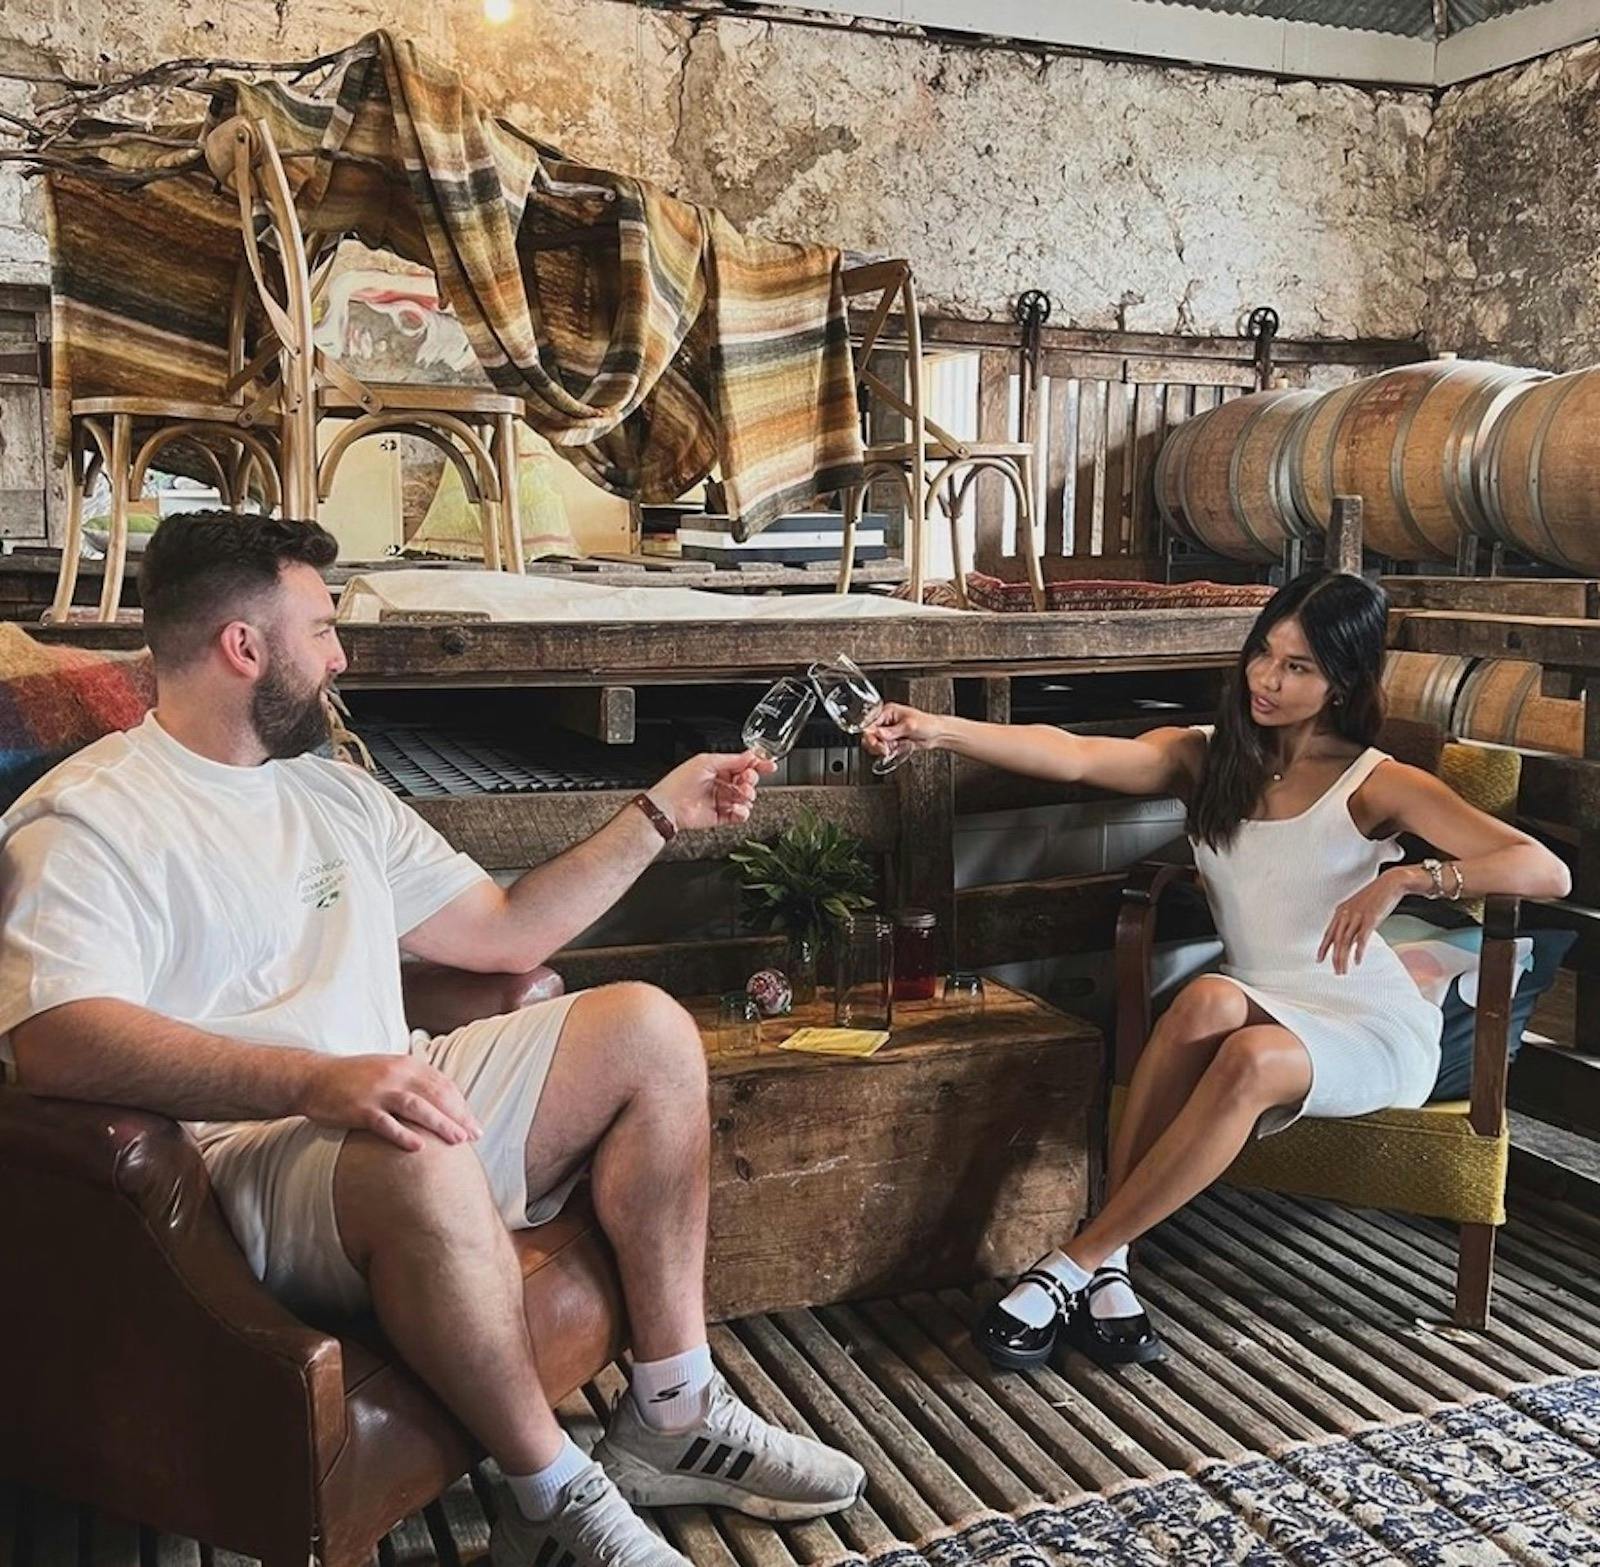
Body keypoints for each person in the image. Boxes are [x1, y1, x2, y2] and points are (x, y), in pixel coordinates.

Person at [0, 512, 864, 1567]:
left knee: (646, 1027)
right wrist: (314, 1080)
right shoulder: (89, 818)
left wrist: (661, 812)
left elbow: (507, 933)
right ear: (244, 646)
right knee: (420, 1148)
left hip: (387, 1094)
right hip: (238, 1156)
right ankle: (550, 1495)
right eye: (323, 630)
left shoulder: (332, 790)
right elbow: (54, 1040)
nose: (340, 658)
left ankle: (673, 1411)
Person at [863, 570, 1569, 1372]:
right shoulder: (1208, 757)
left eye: (1298, 667)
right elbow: (1074, 755)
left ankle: (1070, 1263)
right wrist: (936, 728)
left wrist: (1412, 877)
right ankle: (1110, 1263)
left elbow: (1545, 870)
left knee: (1251, 1055)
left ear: (1342, 682)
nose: (1267, 678)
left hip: (1369, 1026)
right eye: (1264, 653)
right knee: (1203, 1000)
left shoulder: (1375, 782)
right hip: (1263, 993)